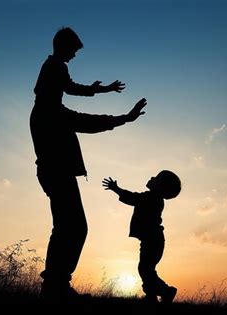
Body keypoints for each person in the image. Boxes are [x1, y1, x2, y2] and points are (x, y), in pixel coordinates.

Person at [30, 26, 147, 303]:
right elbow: (85, 119)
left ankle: (55, 285)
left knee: (67, 227)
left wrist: (100, 90)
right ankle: (55, 286)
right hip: (56, 172)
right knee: (72, 227)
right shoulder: (50, 110)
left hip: (54, 172)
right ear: (63, 47)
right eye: (73, 50)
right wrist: (123, 118)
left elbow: (71, 90)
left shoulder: (44, 107)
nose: (73, 56)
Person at [102, 170, 181, 303]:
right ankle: (151, 295)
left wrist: (116, 189)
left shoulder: (151, 198)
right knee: (147, 269)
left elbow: (133, 198)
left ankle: (166, 291)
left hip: (152, 240)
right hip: (152, 240)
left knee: (145, 268)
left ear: (161, 187)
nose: (151, 177)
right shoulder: (154, 199)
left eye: (156, 178)